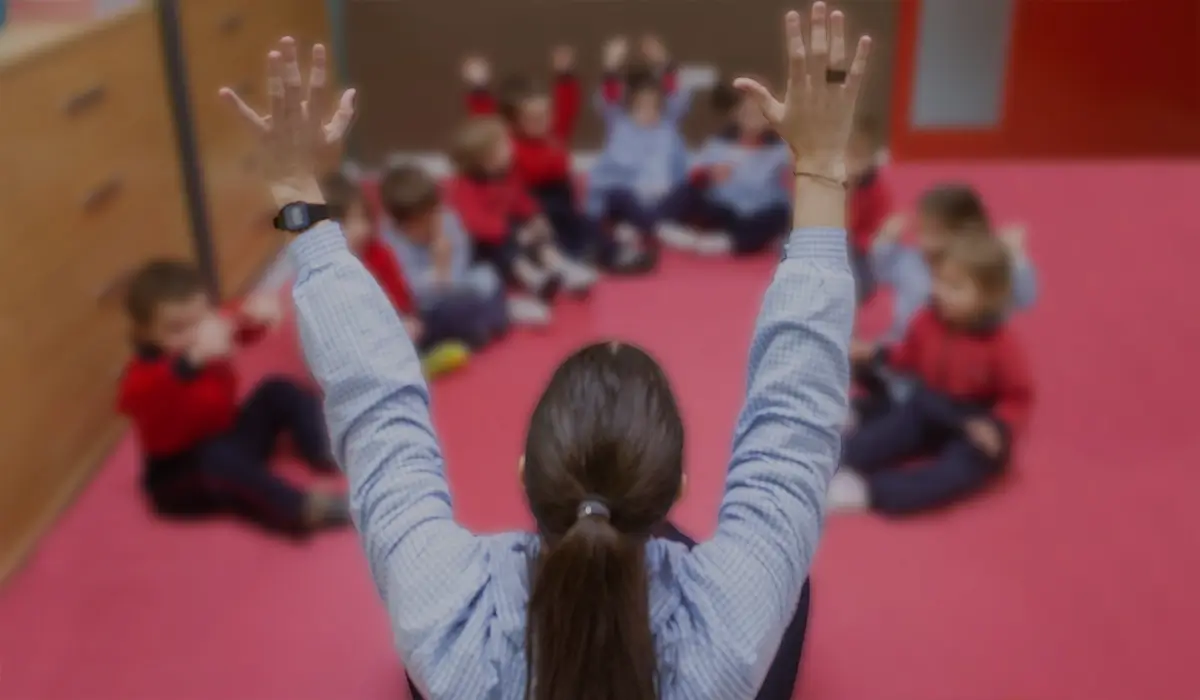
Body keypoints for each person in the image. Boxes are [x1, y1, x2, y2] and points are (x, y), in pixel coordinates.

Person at [220, 5, 869, 696]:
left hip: (461, 665)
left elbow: (374, 406)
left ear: (526, 470)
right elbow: (793, 422)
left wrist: (299, 199)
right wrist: (823, 169)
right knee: (785, 585)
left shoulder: (444, 611)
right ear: (675, 492)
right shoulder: (729, 622)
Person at [116, 259, 349, 535]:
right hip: (181, 474)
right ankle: (300, 509)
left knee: (278, 389)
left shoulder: (206, 330)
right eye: (177, 329)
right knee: (218, 459)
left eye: (201, 320)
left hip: (229, 434)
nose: (195, 333)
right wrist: (192, 361)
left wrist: (257, 314)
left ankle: (323, 448)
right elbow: (134, 396)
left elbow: (234, 321)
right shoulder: (145, 372)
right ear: (145, 333)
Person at [831, 232, 1035, 514]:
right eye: (938, 280)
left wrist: (998, 427)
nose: (939, 290)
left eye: (954, 286)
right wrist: (875, 353)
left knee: (955, 473)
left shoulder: (1001, 345)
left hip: (973, 422)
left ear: (989, 297)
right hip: (929, 404)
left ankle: (868, 491)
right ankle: (830, 460)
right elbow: (908, 356)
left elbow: (1019, 397)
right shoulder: (928, 319)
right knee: (886, 433)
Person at [461, 48, 657, 275]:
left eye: (546, 114)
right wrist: (479, 88)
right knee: (554, 236)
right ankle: (575, 259)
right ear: (513, 123)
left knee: (589, 224)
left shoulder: (555, 134)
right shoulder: (510, 144)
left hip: (565, 201)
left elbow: (567, 106)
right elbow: (486, 120)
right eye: (533, 118)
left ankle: (613, 253)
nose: (543, 121)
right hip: (534, 204)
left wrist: (564, 75)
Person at [445, 116, 598, 319]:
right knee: (503, 245)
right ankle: (533, 279)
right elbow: (475, 224)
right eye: (503, 146)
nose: (511, 149)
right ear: (486, 160)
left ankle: (560, 266)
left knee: (539, 232)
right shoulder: (464, 187)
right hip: (485, 245)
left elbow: (520, 199)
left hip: (511, 230)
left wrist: (534, 216)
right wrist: (513, 233)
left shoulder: (506, 174)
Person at [320, 171, 471, 376]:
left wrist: (406, 318)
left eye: (363, 218)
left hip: (403, 325)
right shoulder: (324, 274)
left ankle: (415, 362)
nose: (361, 229)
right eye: (348, 224)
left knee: (463, 303)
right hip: (360, 346)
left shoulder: (377, 252)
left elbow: (398, 292)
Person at [586, 35, 706, 255]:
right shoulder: (618, 123)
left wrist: (664, 62)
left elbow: (678, 95)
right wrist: (611, 64)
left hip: (663, 199)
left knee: (693, 191)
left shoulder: (668, 124)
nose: (648, 110)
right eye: (642, 105)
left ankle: (640, 228)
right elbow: (608, 98)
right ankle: (659, 229)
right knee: (616, 196)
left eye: (653, 105)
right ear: (631, 105)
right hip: (631, 199)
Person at [656, 81, 793, 256]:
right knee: (688, 191)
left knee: (777, 214)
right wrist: (709, 173)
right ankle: (664, 226)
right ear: (736, 115)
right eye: (746, 112)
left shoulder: (779, 150)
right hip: (724, 210)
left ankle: (729, 243)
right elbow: (694, 172)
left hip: (757, 213)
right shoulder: (718, 144)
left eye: (757, 114)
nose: (751, 118)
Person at [846, 115, 891, 303]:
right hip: (828, 242)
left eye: (861, 157)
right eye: (848, 155)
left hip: (859, 246)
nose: (853, 165)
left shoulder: (874, 185)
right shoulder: (828, 184)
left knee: (866, 288)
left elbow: (882, 218)